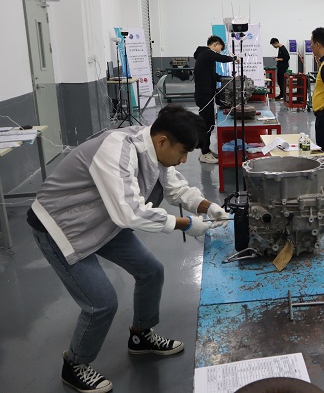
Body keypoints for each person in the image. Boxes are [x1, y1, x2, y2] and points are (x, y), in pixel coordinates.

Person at [26, 104, 230, 393]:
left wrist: (208, 207)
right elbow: (131, 213)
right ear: (163, 141)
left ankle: (140, 336)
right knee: (101, 303)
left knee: (151, 271)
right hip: (60, 226)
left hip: (103, 219)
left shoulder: (155, 149)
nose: (184, 160)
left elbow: (176, 188)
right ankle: (75, 365)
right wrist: (185, 224)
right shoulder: (116, 150)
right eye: (183, 152)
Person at [193, 35, 235, 164]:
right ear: (215, 44)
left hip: (207, 94)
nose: (219, 52)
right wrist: (234, 58)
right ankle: (204, 153)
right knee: (206, 124)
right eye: (219, 49)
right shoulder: (206, 53)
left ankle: (205, 150)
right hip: (204, 95)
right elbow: (221, 58)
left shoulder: (206, 57)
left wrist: (224, 78)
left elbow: (212, 75)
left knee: (209, 123)